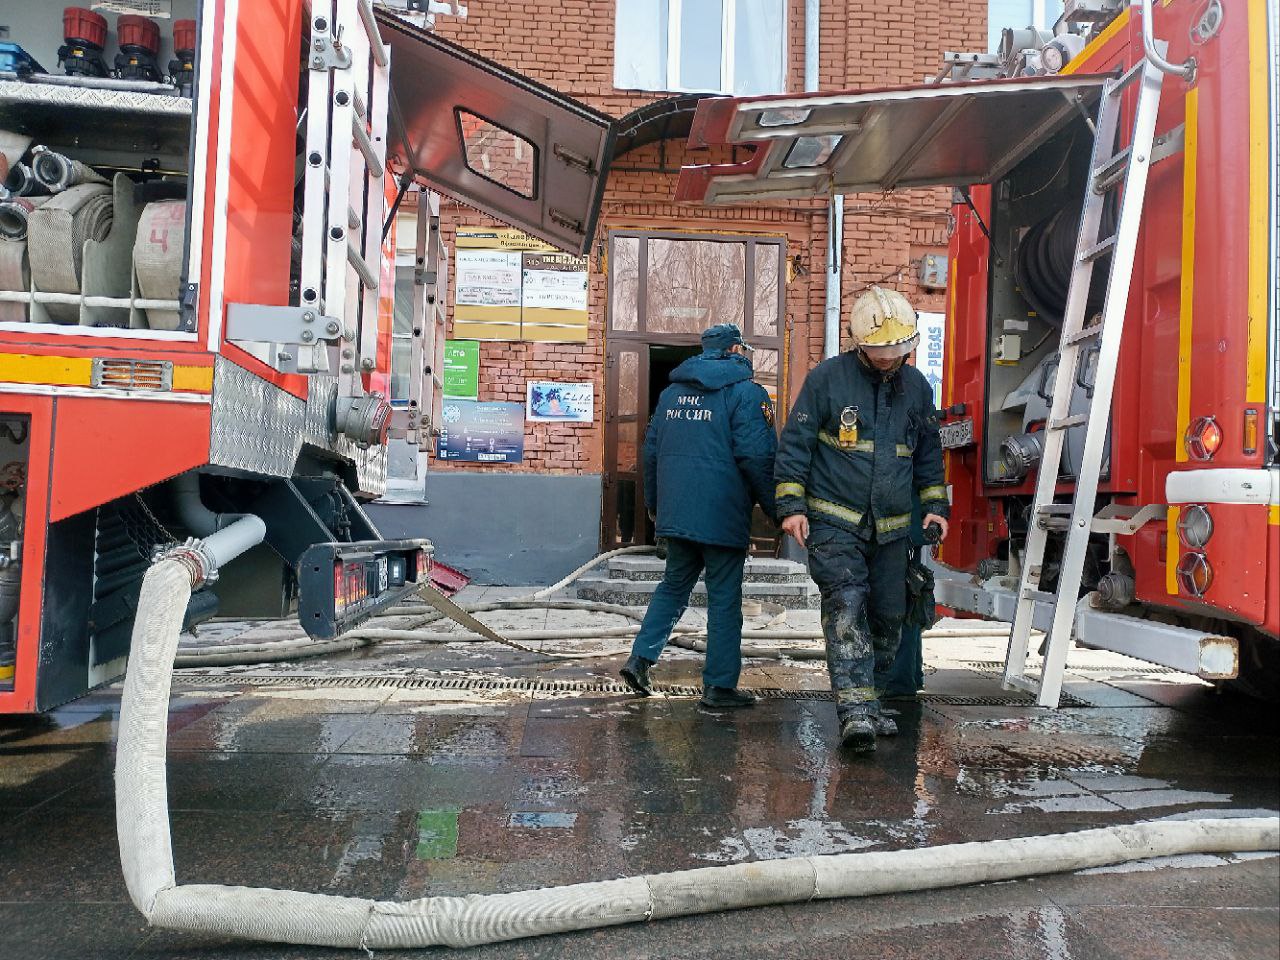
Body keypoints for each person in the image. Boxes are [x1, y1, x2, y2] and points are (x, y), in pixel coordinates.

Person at [774, 287, 948, 752]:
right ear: (859, 343)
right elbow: (795, 446)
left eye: (898, 348)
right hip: (834, 521)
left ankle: (871, 703)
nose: (891, 357)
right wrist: (791, 507)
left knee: (889, 615)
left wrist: (936, 506)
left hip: (892, 527)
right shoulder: (827, 380)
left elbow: (928, 453)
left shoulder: (917, 389)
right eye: (881, 349)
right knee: (846, 606)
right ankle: (855, 714)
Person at [620, 322, 777, 709]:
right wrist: (779, 511)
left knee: (673, 588)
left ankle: (640, 660)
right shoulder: (746, 394)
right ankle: (719, 687)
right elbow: (758, 457)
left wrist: (656, 508)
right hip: (722, 516)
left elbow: (651, 453)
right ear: (735, 351)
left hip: (678, 513)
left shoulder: (671, 394)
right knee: (724, 600)